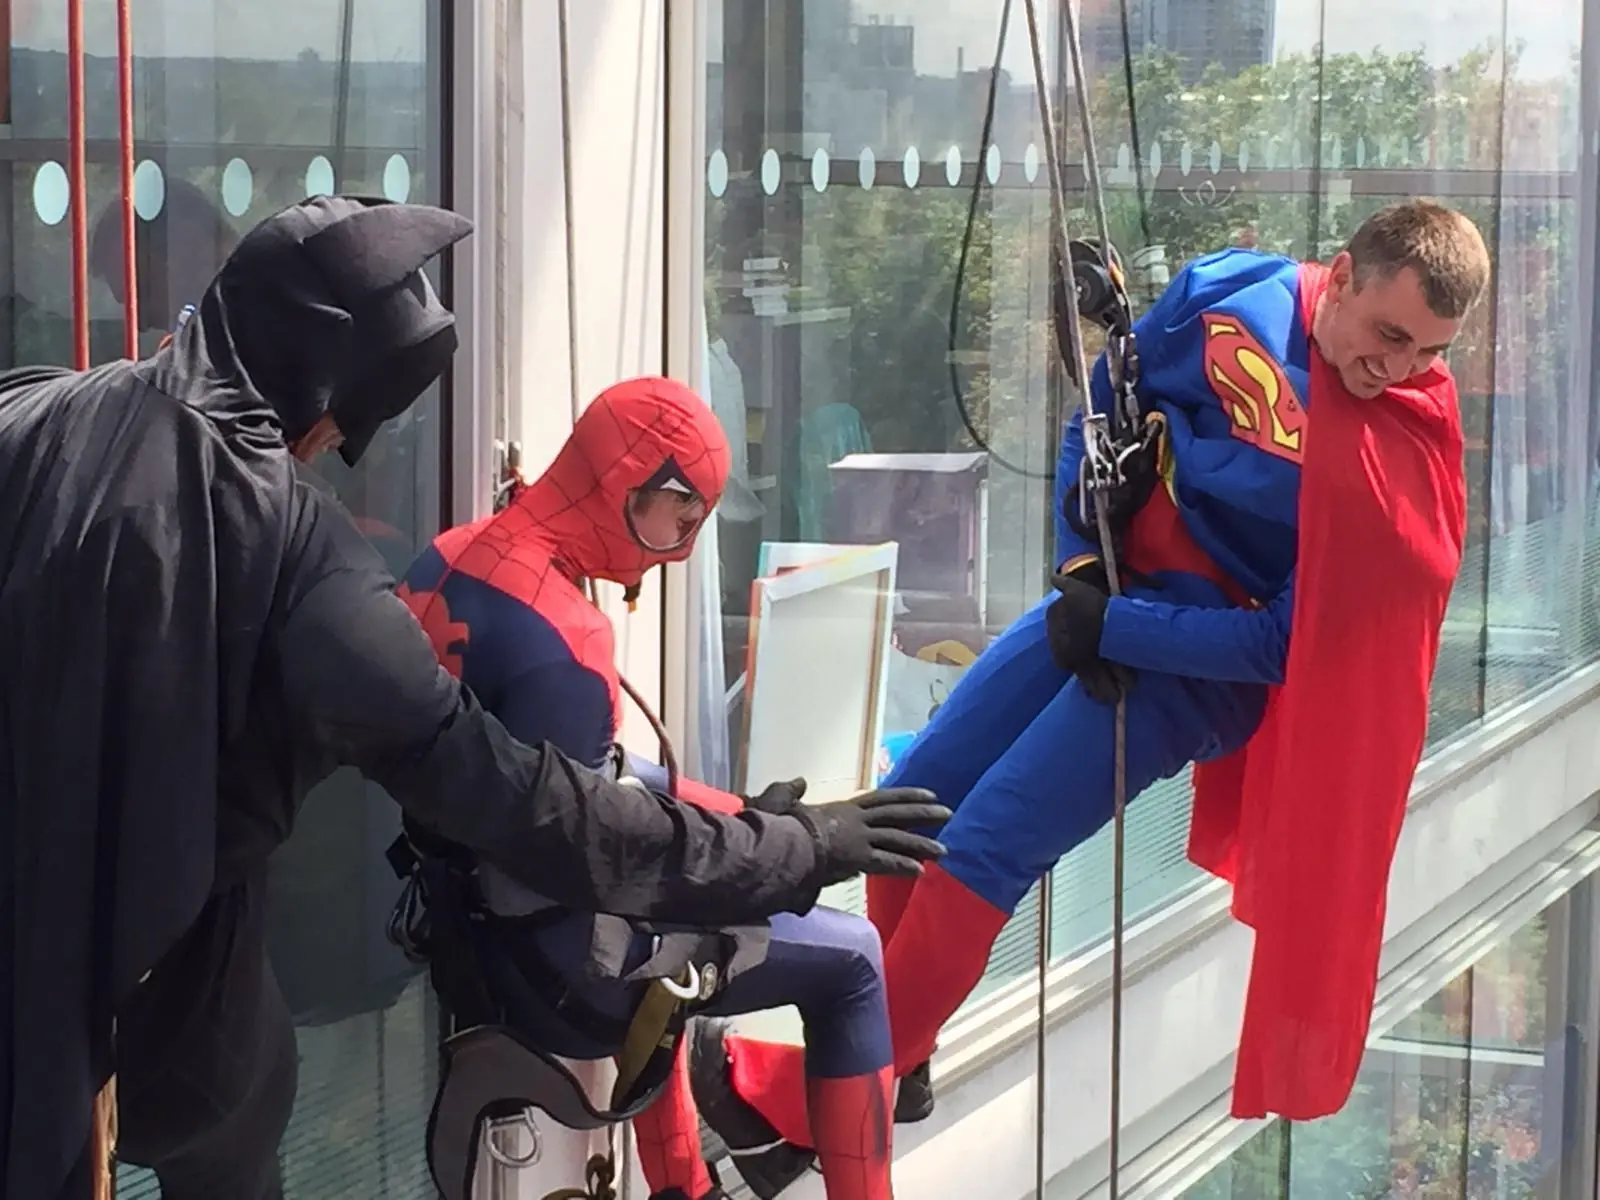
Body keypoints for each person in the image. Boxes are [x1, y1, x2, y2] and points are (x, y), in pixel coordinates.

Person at [0, 194, 949, 1200]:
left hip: (104, 937)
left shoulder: (32, 407)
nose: (327, 446)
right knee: (223, 1110)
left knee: (238, 1086)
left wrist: (742, 824)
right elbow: (539, 811)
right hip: (149, 966)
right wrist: (793, 851)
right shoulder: (307, 567)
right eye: (341, 422)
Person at [692, 200, 1489, 1192]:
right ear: (1341, 273)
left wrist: (1113, 625)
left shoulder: (1399, 444)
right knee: (918, 795)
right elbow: (1107, 410)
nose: (1399, 370)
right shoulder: (1225, 290)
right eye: (1387, 334)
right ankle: (897, 1048)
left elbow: (1284, 647)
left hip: (1200, 668)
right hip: (1111, 587)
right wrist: (1078, 563)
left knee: (984, 852)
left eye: (1429, 351)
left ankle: (807, 1095)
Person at [399, 376, 908, 1200]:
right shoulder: (566, 639)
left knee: (683, 918)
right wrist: (793, 847)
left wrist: (739, 814)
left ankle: (684, 1189)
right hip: (556, 966)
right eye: (684, 518)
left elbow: (577, 786)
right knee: (853, 959)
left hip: (460, 920)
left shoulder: (451, 556)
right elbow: (610, 856)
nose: (680, 547)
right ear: (636, 485)